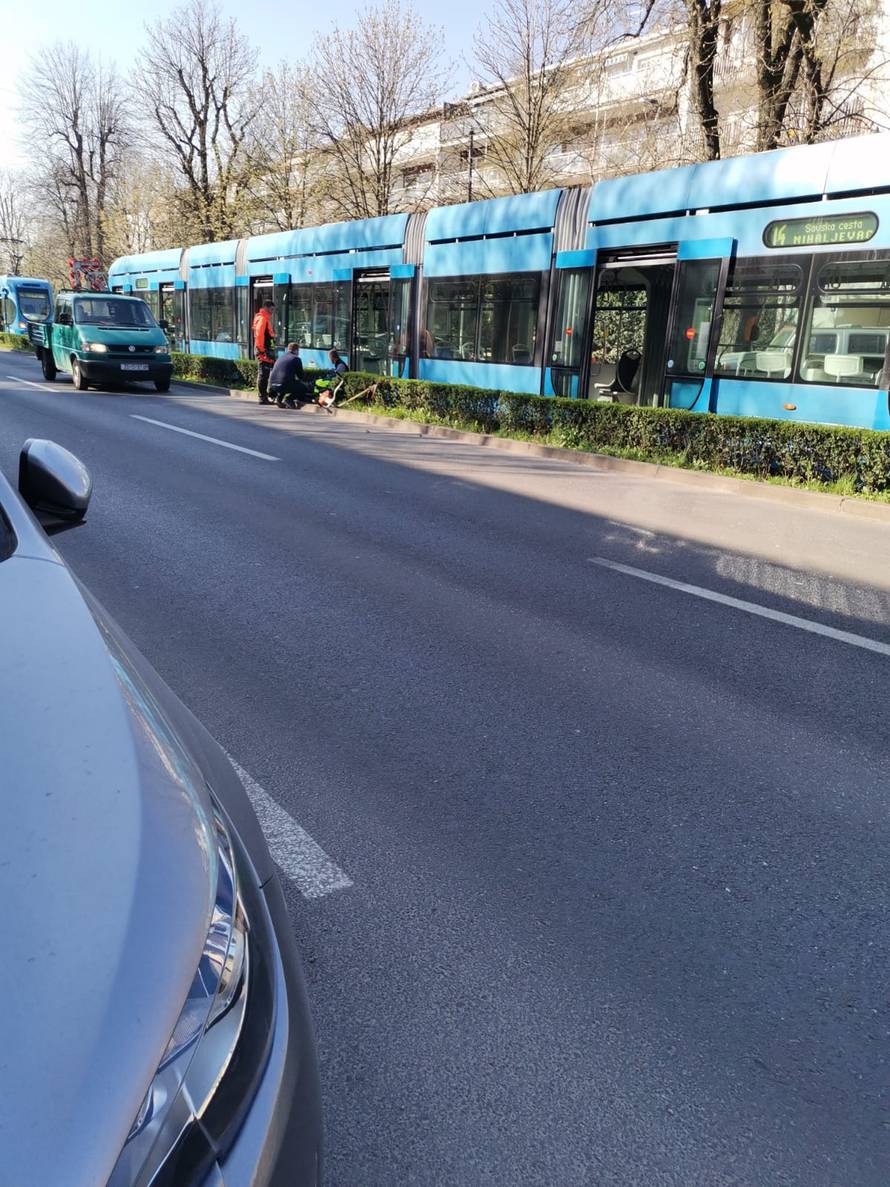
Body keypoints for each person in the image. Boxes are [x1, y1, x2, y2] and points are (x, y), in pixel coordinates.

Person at [269, 342, 309, 408]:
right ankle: (289, 399)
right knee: (303, 387)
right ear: (296, 350)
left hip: (273, 385)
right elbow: (300, 376)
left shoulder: (281, 357)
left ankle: (279, 399)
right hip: (284, 385)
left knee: (285, 382)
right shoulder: (296, 359)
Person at [252, 299, 276, 403]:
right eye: (271, 309)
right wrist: (262, 351)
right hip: (264, 350)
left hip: (264, 349)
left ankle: (265, 396)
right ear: (266, 307)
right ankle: (262, 397)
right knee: (263, 374)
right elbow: (260, 335)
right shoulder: (262, 319)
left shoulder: (263, 318)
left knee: (265, 373)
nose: (272, 311)